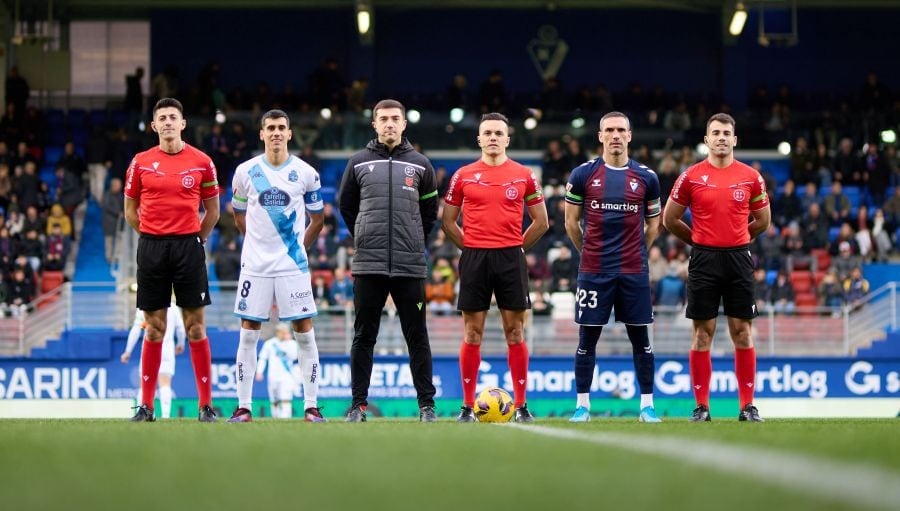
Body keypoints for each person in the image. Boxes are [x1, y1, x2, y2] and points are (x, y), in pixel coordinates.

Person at [662, 113, 771, 422]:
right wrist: (698, 241)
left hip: (738, 260)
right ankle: (702, 407)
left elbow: (763, 221)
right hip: (703, 260)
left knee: (742, 332)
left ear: (734, 139)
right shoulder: (691, 176)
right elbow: (670, 219)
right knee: (702, 334)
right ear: (707, 139)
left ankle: (747, 407)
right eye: (716, 133)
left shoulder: (751, 177)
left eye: (726, 133)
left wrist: (738, 238)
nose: (721, 138)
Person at [442, 112, 549, 423]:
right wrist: (471, 247)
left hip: (510, 258)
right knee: (472, 332)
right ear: (479, 139)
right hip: (475, 258)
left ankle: (522, 406)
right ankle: (466, 407)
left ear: (507, 139)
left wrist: (516, 248)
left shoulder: (524, 174)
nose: (492, 137)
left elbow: (541, 222)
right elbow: (448, 221)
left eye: (498, 133)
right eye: (487, 133)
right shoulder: (463, 175)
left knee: (515, 331)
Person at [338, 99, 438, 423]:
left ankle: (427, 407)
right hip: (369, 264)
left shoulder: (421, 164)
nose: (390, 123)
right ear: (375, 124)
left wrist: (413, 240)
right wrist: (365, 236)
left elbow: (429, 214)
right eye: (384, 119)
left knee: (417, 336)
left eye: (395, 118)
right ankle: (358, 406)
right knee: (364, 336)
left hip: (409, 265)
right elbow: (346, 207)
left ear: (404, 124)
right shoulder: (358, 163)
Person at [123, 97, 220, 422]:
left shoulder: (202, 162)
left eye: (172, 117)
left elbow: (213, 211)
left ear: (182, 123)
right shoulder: (140, 162)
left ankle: (205, 406)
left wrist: (196, 239)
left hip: (188, 247)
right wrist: (152, 235)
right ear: (154, 126)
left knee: (195, 326)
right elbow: (130, 211)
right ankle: (146, 406)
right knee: (154, 328)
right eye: (162, 118)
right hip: (152, 248)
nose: (167, 122)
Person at [563, 112, 663, 423]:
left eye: (621, 130)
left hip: (633, 271)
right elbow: (570, 223)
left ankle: (647, 407)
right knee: (586, 341)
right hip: (593, 272)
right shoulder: (583, 174)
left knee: (641, 340)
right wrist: (587, 253)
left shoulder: (647, 177)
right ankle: (582, 407)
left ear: (630, 136)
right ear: (600, 136)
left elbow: (654, 225)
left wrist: (638, 252)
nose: (615, 135)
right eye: (609, 130)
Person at [227, 109, 325, 423]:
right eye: (270, 128)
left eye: (281, 127)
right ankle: (244, 407)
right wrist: (255, 242)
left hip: (292, 266)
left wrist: (298, 249)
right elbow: (238, 214)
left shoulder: (306, 173)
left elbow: (318, 219)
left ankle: (311, 406)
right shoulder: (246, 171)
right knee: (248, 335)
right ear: (262, 134)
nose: (276, 132)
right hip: (255, 266)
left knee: (304, 333)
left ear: (289, 133)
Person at [120, 305, 186, 419]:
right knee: (165, 383)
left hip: (150, 347)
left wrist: (128, 351)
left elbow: (137, 329)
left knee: (144, 383)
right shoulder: (173, 308)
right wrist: (181, 343)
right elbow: (180, 329)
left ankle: (143, 413)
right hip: (167, 348)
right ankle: (165, 416)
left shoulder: (145, 304)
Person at [256, 323, 301, 419]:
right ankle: (275, 417)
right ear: (277, 332)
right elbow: (263, 358)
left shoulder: (292, 343)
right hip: (273, 375)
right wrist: (259, 372)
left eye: (285, 332)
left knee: (286, 397)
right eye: (282, 332)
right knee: (274, 399)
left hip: (287, 375)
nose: (284, 334)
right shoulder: (270, 343)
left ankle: (286, 418)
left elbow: (294, 357)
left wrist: (288, 343)